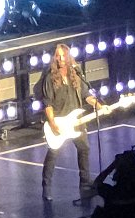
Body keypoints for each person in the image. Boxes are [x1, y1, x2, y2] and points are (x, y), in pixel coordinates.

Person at [40, 43, 106, 201]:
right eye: (58, 56)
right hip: (59, 121)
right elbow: (47, 104)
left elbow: (86, 95)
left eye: (64, 55)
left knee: (84, 149)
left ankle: (85, 183)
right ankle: (46, 186)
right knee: (53, 154)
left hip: (76, 121)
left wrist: (99, 105)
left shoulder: (75, 73)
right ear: (54, 58)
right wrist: (53, 123)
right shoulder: (49, 78)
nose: (61, 59)